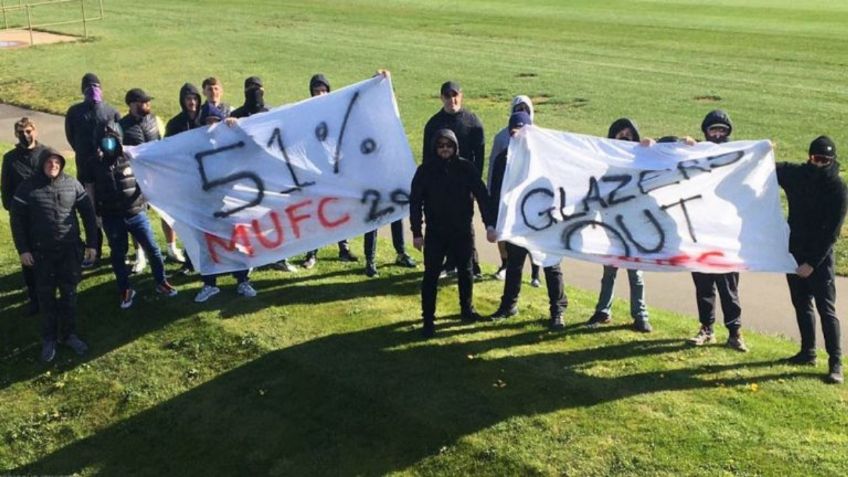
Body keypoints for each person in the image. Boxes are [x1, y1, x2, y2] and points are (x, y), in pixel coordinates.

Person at [10, 148, 97, 362]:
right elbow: (17, 221)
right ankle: (49, 339)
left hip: (69, 252)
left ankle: (69, 335)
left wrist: (92, 244)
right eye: (49, 162)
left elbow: (88, 213)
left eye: (57, 162)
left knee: (69, 296)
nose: (53, 165)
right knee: (46, 298)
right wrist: (23, 250)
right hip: (41, 255)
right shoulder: (27, 187)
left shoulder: (72, 184)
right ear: (42, 164)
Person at [81, 123, 178, 309]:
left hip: (136, 212)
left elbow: (149, 171)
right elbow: (90, 189)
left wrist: (147, 200)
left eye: (112, 139)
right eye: (104, 139)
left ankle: (161, 281)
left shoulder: (132, 156)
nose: (108, 143)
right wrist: (95, 215)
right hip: (111, 216)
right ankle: (125, 289)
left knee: (153, 248)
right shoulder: (93, 163)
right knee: (118, 254)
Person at [487, 112, 567, 330]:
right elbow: (495, 193)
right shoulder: (503, 158)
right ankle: (508, 305)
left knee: (551, 266)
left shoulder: (545, 159)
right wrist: (492, 223)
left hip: (542, 223)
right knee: (514, 265)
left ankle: (557, 310)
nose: (518, 136)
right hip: (516, 222)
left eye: (522, 132)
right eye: (514, 132)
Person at [777, 136, 846, 384]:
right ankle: (807, 352)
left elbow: (832, 233)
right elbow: (768, 168)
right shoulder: (796, 175)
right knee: (801, 303)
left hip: (820, 258)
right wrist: (763, 150)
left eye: (825, 160)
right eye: (816, 159)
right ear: (809, 157)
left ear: (832, 161)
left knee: (826, 309)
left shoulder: (838, 189)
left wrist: (812, 263)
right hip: (795, 252)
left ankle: (835, 362)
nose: (819, 165)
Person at [410, 128, 492, 338]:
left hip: (462, 230)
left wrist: (489, 224)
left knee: (466, 271)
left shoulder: (466, 168)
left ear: (455, 147)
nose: (445, 149)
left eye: (449, 145)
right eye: (441, 145)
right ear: (434, 147)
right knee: (431, 275)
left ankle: (467, 310)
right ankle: (428, 320)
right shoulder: (425, 171)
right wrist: (417, 232)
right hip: (436, 232)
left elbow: (482, 195)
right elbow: (415, 202)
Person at [686, 110, 748, 352]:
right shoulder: (697, 153)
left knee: (728, 286)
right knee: (703, 284)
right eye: (714, 130)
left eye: (722, 130)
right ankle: (706, 328)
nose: (718, 134)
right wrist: (685, 144)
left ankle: (735, 332)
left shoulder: (738, 156)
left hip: (726, 235)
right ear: (706, 132)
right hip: (699, 232)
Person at [586, 118, 651, 332]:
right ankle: (603, 310)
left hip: (634, 223)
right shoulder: (607, 160)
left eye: (628, 134)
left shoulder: (641, 158)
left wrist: (652, 145)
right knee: (609, 269)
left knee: (636, 271)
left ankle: (640, 315)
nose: (624, 137)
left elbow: (664, 153)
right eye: (619, 133)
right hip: (612, 222)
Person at [422, 81, 485, 277]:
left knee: (465, 225)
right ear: (442, 98)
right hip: (440, 184)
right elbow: (427, 157)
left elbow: (480, 157)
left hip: (464, 184)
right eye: (447, 96)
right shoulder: (433, 124)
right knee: (441, 222)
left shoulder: (473, 122)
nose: (452, 100)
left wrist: (475, 185)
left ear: (461, 95)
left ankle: (471, 265)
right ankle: (448, 264)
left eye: (455, 95)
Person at [299, 74, 361, 270]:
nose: (320, 94)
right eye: (316, 91)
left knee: (339, 209)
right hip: (315, 170)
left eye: (323, 90)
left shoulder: (336, 111)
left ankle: (343, 248)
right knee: (316, 212)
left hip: (336, 168)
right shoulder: (305, 113)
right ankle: (312, 252)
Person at [64, 72, 121, 267]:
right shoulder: (74, 112)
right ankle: (94, 250)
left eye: (95, 86)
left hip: (106, 171)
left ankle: (118, 250)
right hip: (86, 170)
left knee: (111, 210)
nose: (92, 90)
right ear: (82, 90)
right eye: (88, 87)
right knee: (90, 212)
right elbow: (71, 137)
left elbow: (117, 138)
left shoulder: (111, 111)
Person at [487, 95, 541, 285]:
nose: (522, 112)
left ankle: (535, 272)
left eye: (525, 109)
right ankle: (505, 264)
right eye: (519, 108)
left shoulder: (540, 136)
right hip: (506, 192)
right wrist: (490, 190)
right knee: (504, 231)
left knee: (531, 234)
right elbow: (494, 164)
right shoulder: (502, 137)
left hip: (529, 195)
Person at [2, 117, 48, 314]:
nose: (26, 135)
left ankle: (50, 294)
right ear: (16, 134)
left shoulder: (46, 153)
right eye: (21, 132)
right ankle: (34, 297)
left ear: (35, 131)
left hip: (46, 214)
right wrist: (15, 211)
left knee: (48, 256)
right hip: (24, 217)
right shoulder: (10, 158)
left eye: (29, 131)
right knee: (28, 258)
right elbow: (6, 190)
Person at [165, 82, 203, 275]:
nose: (192, 102)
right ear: (183, 101)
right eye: (188, 99)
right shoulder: (175, 124)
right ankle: (190, 261)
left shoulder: (207, 119)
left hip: (207, 181)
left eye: (195, 98)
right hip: (185, 181)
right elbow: (166, 150)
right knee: (190, 224)